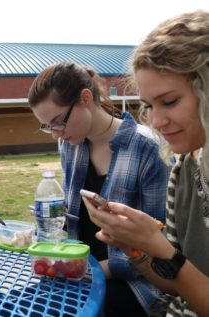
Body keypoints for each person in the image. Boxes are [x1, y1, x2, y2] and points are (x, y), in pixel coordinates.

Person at [85, 10, 209, 317]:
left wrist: (163, 249)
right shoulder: (182, 169)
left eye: (169, 101)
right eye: (149, 105)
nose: (156, 121)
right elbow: (176, 284)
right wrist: (136, 248)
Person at [28, 61, 170, 316]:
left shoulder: (147, 148)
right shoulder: (70, 145)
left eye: (58, 122)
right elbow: (76, 221)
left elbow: (161, 246)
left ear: (85, 98)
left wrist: (83, 270)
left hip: (135, 284)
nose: (55, 134)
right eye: (47, 126)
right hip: (77, 272)